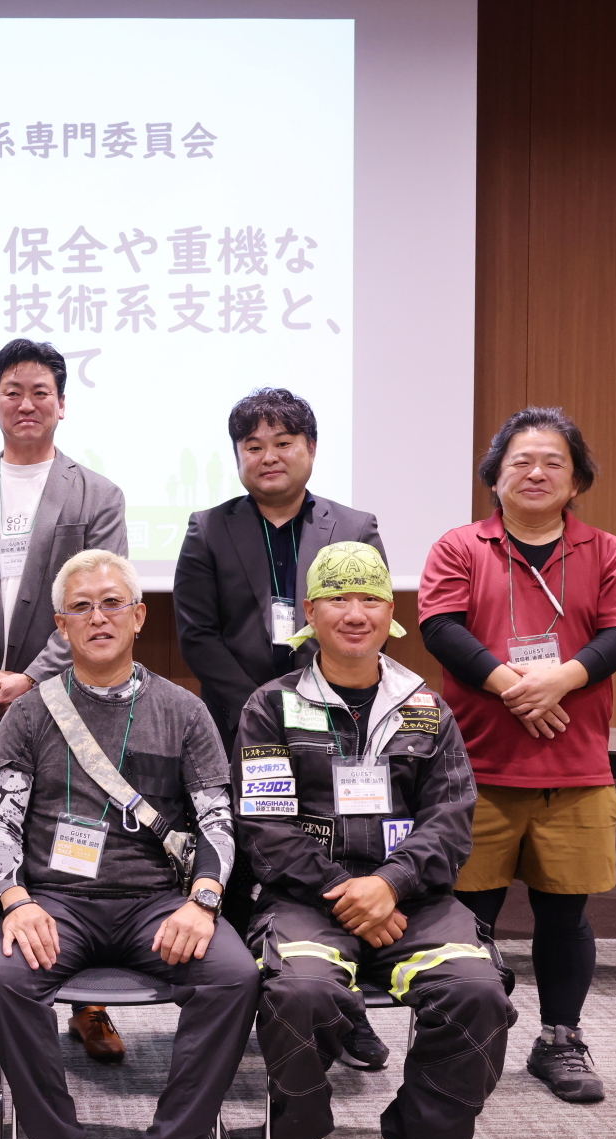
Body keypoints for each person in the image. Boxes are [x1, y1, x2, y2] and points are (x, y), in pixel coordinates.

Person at [0, 550, 263, 1139]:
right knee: (3, 977)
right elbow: (0, 821)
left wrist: (203, 900)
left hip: (157, 903)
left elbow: (217, 821)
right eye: (81, 607)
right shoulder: (30, 713)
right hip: (56, 902)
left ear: (139, 616)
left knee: (233, 974)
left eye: (112, 604)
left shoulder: (184, 711)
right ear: (60, 626)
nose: (97, 618)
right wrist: (15, 899)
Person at [237, 541, 513, 1139]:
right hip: (307, 899)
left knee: (478, 993)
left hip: (413, 900)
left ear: (392, 613)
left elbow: (451, 821)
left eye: (369, 598)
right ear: (310, 612)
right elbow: (265, 829)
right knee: (299, 992)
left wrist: (389, 884)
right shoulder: (270, 707)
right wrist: (349, 892)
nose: (354, 613)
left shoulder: (426, 708)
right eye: (338, 598)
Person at [418, 407, 616, 1104]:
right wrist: (517, 687)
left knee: (565, 917)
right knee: (467, 919)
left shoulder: (607, 551)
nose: (536, 472)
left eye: (553, 462)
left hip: (574, 769)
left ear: (576, 482)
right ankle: (459, 1041)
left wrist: (560, 680)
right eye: (520, 461)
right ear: (495, 477)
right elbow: (440, 627)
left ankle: (559, 1040)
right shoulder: (460, 546)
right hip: (475, 770)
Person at [173, 386, 390, 1071]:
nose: (268, 456)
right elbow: (196, 636)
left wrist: (311, 706)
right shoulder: (209, 529)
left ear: (311, 450)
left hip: (338, 725)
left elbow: (367, 622)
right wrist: (267, 708)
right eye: (253, 446)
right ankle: (236, 1003)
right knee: (239, 860)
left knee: (340, 854)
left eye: (283, 443)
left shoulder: (354, 525)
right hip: (238, 724)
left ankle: (346, 1007)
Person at [0, 337, 130, 1064]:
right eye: (12, 391)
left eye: (40, 391)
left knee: (68, 832)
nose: (26, 403)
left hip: (70, 697)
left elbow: (103, 596)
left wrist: (33, 677)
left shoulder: (97, 495)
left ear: (61, 404)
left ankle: (89, 1001)